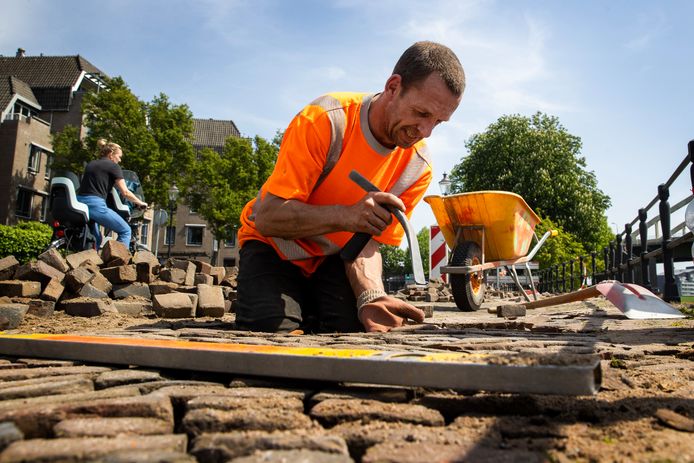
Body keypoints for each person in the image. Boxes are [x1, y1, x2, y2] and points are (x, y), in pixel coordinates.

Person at [236, 41, 465, 334]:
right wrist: (346, 216)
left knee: (352, 329)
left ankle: (310, 307)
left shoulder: (417, 167)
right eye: (421, 113)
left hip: (335, 260)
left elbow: (368, 243)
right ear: (394, 86)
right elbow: (268, 217)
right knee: (272, 330)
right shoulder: (326, 121)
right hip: (274, 247)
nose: (426, 132)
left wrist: (371, 295)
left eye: (438, 122)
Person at [77, 139, 148, 249]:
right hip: (96, 205)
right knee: (125, 230)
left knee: (97, 238)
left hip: (80, 203)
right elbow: (125, 192)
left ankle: (89, 260)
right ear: (111, 154)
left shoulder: (91, 164)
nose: (119, 160)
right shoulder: (113, 167)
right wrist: (140, 202)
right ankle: (117, 261)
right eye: (119, 157)